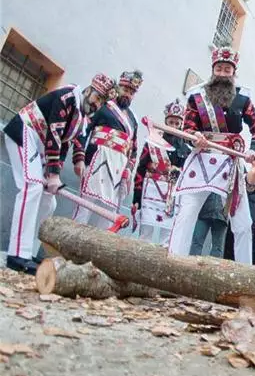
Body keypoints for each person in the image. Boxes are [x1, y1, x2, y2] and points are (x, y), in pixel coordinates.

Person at [3, 73, 115, 273]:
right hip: (24, 131)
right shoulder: (68, 96)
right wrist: (52, 175)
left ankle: (28, 253)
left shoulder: (83, 115)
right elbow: (54, 134)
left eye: (102, 102)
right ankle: (16, 255)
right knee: (32, 187)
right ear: (90, 89)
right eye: (97, 97)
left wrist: (54, 172)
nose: (97, 104)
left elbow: (65, 144)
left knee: (49, 201)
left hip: (40, 145)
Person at [168, 45, 255, 264]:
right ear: (213, 70)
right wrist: (195, 137)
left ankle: (244, 272)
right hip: (201, 159)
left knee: (243, 224)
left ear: (233, 73)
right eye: (219, 68)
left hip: (230, 163)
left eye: (227, 70)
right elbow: (187, 128)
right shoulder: (196, 97)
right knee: (187, 214)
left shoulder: (243, 98)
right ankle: (173, 264)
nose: (222, 73)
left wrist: (252, 150)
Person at [72, 70, 141, 229]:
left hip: (118, 170)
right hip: (97, 162)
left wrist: (129, 170)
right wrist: (80, 158)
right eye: (125, 90)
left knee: (108, 215)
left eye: (132, 92)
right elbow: (83, 131)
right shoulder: (103, 106)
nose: (128, 95)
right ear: (119, 88)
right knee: (84, 207)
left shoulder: (133, 120)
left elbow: (134, 149)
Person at [132, 99, 191, 245]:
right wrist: (136, 197)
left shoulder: (185, 149)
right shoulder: (152, 141)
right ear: (165, 122)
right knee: (145, 235)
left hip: (171, 198)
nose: (174, 126)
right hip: (151, 193)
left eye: (177, 124)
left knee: (167, 237)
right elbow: (140, 170)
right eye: (171, 122)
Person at [189, 193, 227, 258]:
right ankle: (192, 265)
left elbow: (232, 193)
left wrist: (227, 210)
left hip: (221, 214)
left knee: (217, 247)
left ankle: (213, 267)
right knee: (197, 242)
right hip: (203, 211)